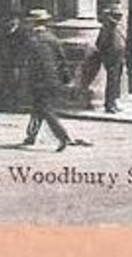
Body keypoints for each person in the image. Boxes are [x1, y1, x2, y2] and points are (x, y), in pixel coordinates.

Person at [18, 10, 89, 152]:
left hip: (37, 80)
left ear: (33, 23)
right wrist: (67, 79)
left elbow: (26, 62)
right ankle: (31, 136)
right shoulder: (53, 38)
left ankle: (62, 137)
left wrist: (23, 79)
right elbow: (62, 61)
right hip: (53, 80)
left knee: (44, 110)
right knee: (37, 108)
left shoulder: (32, 40)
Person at [79, 5, 126, 113]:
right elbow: (101, 43)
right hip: (112, 57)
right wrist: (106, 54)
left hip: (118, 56)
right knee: (112, 81)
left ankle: (114, 102)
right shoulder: (108, 27)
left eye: (119, 15)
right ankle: (110, 104)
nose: (119, 17)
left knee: (115, 81)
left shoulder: (117, 26)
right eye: (117, 15)